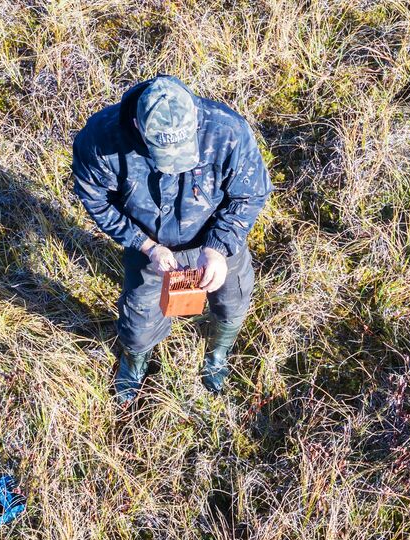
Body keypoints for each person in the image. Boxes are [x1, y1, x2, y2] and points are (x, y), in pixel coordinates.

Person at [72, 75, 272, 403]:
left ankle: (217, 355)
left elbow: (250, 194)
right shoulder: (99, 142)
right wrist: (144, 245)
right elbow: (96, 200)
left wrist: (219, 248)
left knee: (233, 303)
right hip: (150, 248)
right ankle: (136, 363)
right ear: (138, 125)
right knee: (138, 321)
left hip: (217, 237)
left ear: (194, 117)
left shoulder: (228, 131)